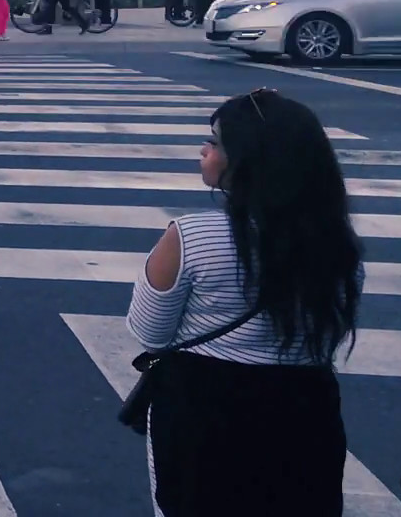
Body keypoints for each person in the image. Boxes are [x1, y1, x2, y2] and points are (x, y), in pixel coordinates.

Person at [126, 88, 361, 514]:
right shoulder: (337, 243)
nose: (204, 149)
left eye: (215, 142)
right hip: (306, 409)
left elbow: (149, 332)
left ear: (248, 160)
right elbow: (329, 332)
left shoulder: (190, 237)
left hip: (204, 406)